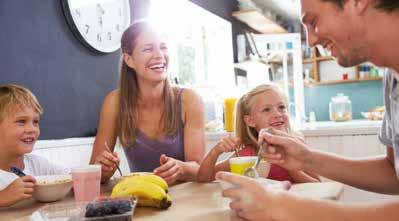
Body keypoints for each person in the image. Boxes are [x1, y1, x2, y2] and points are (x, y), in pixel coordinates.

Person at [217, 0, 399, 220]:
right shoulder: (392, 77)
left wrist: (288, 208)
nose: (311, 41)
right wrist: (306, 159)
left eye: (313, 21)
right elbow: (393, 171)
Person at [90, 21, 205, 185]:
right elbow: (94, 172)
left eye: (163, 47)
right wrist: (104, 169)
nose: (159, 55)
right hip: (142, 200)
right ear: (129, 60)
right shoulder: (114, 102)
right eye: (148, 49)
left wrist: (182, 168)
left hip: (186, 201)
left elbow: (200, 169)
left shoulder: (190, 100)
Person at [197, 84, 319, 183]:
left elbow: (317, 184)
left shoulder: (297, 144)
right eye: (267, 109)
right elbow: (204, 178)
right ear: (250, 121)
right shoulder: (248, 154)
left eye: (281, 107)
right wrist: (215, 152)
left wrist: (292, 169)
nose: (277, 114)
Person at [0, 84, 69, 207]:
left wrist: (101, 173)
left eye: (35, 122)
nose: (32, 129)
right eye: (21, 121)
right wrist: (2, 197)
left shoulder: (38, 165)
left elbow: (71, 178)